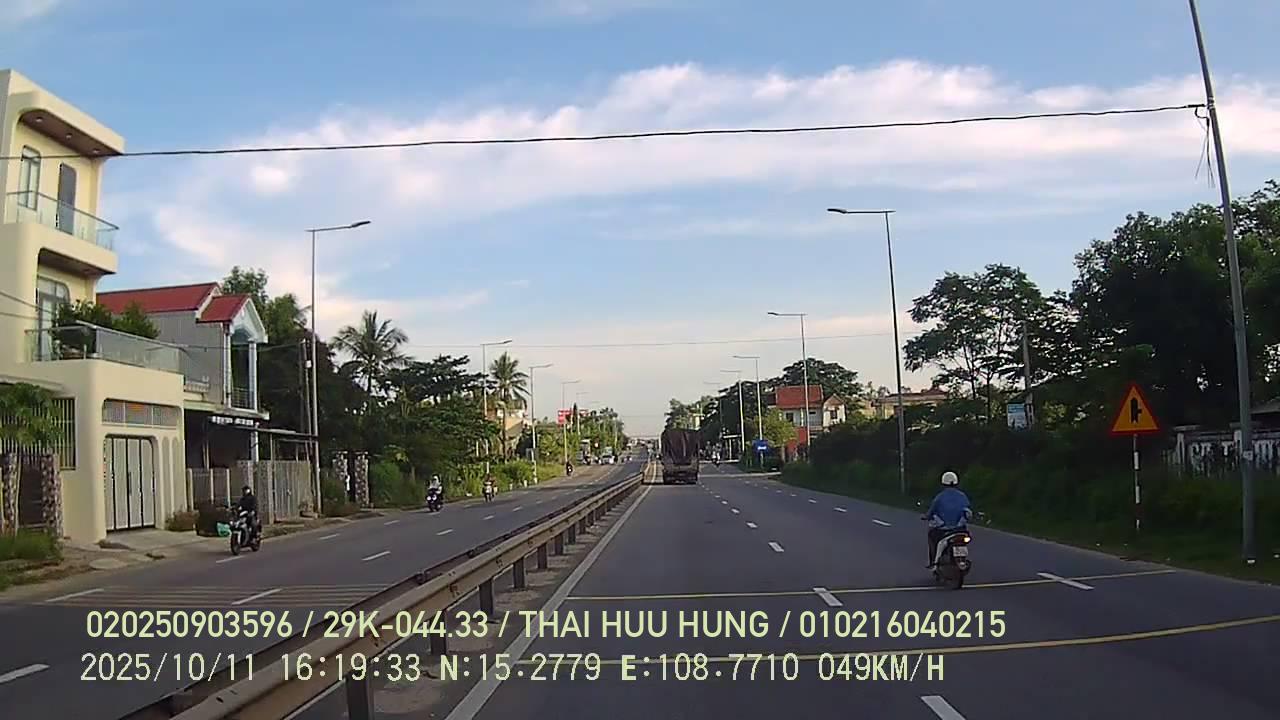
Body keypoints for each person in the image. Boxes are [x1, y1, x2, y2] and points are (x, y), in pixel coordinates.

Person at [924, 471, 971, 568]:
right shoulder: (963, 496)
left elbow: (931, 511)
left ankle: (934, 562)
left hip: (943, 529)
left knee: (932, 537)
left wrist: (927, 516)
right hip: (960, 529)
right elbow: (967, 510)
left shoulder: (940, 497)